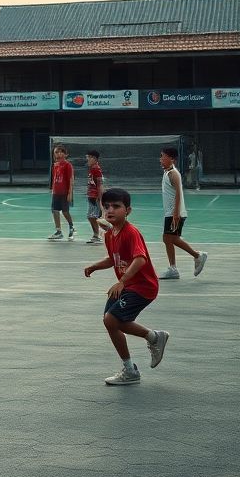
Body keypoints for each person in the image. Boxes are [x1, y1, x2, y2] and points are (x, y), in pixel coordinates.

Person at [84, 187, 169, 386]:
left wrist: (122, 282)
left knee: (112, 319)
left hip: (143, 286)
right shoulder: (110, 234)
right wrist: (95, 266)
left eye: (116, 206)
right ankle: (131, 368)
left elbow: (140, 259)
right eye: (106, 207)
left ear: (128, 210)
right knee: (110, 322)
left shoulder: (131, 232)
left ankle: (154, 338)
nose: (110, 210)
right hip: (127, 285)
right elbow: (114, 259)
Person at [160, 146, 208, 279]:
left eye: (163, 156)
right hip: (170, 212)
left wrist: (176, 213)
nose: (161, 159)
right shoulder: (167, 172)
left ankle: (197, 256)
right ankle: (174, 267)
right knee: (169, 238)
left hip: (175, 213)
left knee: (170, 238)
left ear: (172, 159)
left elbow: (178, 194)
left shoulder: (173, 174)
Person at [47, 143, 76, 241]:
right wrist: (53, 189)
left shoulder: (68, 165)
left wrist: (70, 193)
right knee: (55, 211)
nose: (58, 154)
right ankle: (58, 231)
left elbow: (71, 180)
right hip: (56, 193)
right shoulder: (55, 165)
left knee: (65, 211)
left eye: (60, 152)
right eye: (56, 152)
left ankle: (71, 227)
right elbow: (55, 178)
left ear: (65, 154)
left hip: (64, 193)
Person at [84, 150, 106, 244]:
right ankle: (96, 235)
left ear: (94, 158)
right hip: (91, 196)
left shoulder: (96, 170)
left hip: (95, 197)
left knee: (93, 216)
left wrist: (100, 198)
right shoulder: (92, 169)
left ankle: (99, 235)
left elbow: (100, 185)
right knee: (91, 216)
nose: (87, 159)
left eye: (89, 157)